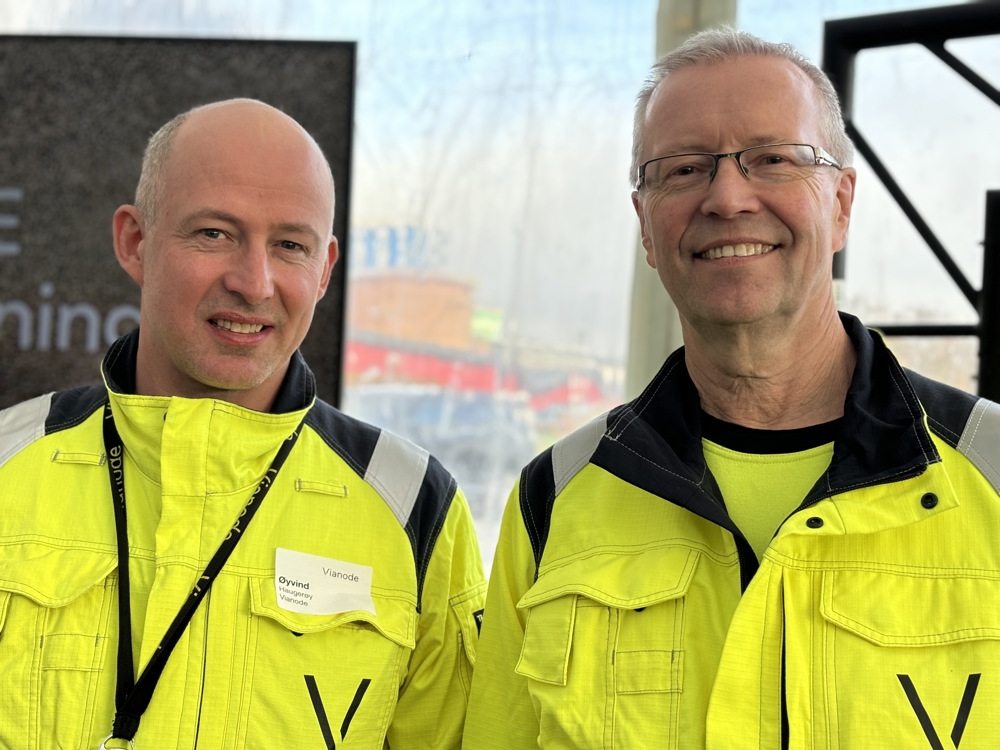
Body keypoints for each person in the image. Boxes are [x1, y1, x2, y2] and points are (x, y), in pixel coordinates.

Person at [463, 27, 1000, 749]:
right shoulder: (554, 502)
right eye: (683, 169)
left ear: (840, 204)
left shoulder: (992, 474)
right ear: (646, 228)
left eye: (773, 159)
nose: (727, 196)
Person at [0, 98, 486, 749]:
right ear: (134, 242)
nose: (254, 283)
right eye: (214, 234)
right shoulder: (8, 466)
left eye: (290, 245)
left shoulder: (413, 507)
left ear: (324, 272)